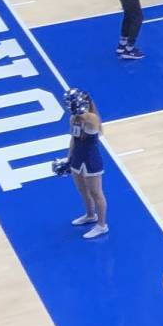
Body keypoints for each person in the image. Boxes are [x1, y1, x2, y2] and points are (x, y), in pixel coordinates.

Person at [64, 90, 108, 239]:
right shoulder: (73, 118)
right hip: (77, 158)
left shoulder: (92, 118)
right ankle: (90, 215)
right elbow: (73, 139)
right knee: (82, 189)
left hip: (91, 160)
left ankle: (102, 225)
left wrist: (78, 110)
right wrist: (68, 159)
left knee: (96, 193)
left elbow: (85, 118)